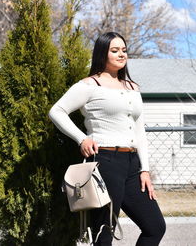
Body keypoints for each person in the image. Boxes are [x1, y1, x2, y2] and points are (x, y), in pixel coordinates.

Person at [49, 32, 166, 245]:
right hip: (105, 162)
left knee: (155, 226)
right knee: (104, 232)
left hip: (132, 166)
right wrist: (81, 138)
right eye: (115, 50)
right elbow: (56, 111)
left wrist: (145, 169)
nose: (121, 54)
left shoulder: (132, 88)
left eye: (124, 50)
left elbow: (139, 131)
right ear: (102, 53)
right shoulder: (89, 85)